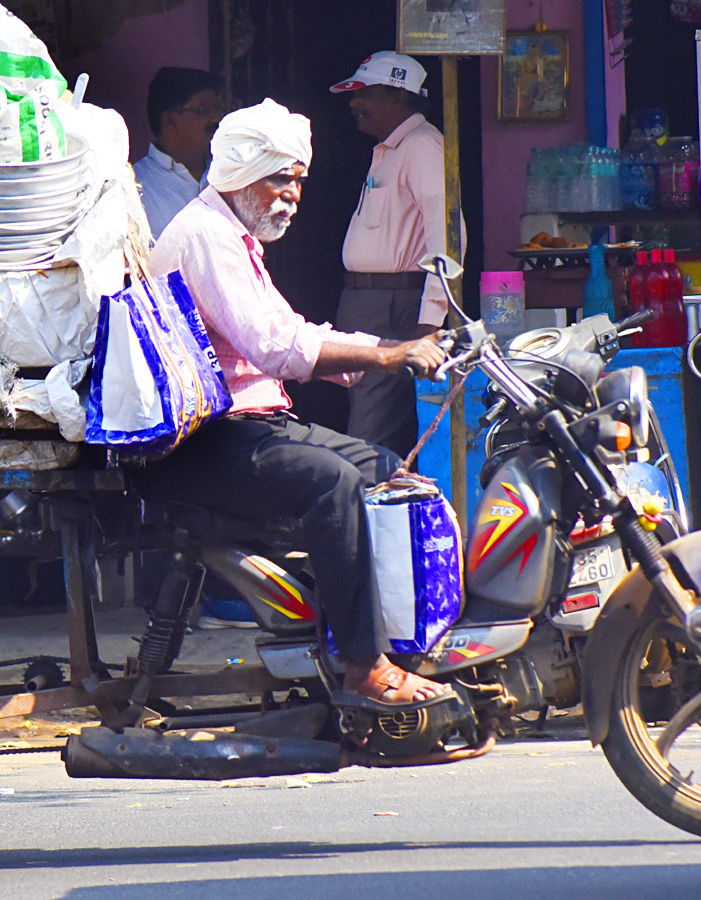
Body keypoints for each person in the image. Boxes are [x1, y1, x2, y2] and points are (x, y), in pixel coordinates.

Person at [135, 99, 451, 705]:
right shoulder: (206, 238)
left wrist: (382, 349)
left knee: (390, 473)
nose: (294, 195)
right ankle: (362, 665)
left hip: (253, 424)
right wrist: (388, 356)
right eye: (281, 178)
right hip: (205, 436)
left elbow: (287, 331)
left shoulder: (234, 237)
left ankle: (399, 640)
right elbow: (278, 347)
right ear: (242, 174)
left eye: (299, 180)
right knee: (331, 482)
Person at [331, 51, 463, 459]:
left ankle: (365, 496)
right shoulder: (392, 149)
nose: (354, 103)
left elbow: (447, 235)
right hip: (371, 303)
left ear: (399, 96)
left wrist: (430, 318)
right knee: (372, 418)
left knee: (371, 431)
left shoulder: (422, 146)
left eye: (365, 93)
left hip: (395, 305)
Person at [132, 67, 223, 239]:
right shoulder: (137, 187)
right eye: (205, 110)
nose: (216, 118)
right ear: (170, 120)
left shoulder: (228, 172)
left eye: (217, 110)